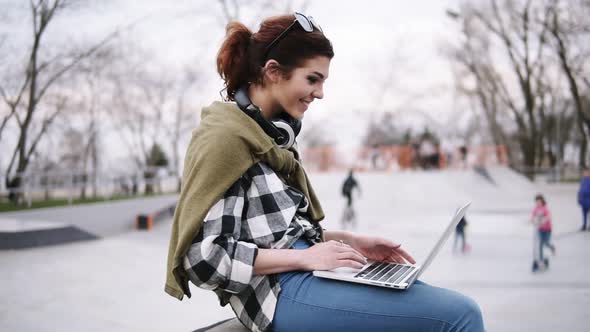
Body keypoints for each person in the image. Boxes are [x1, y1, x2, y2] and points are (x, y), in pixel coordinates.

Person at [165, 13, 484, 332]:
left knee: (430, 299)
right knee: (461, 314)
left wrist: (350, 241)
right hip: (283, 292)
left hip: (307, 275)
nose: (320, 93)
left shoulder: (269, 137)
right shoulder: (226, 139)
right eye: (312, 79)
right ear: (274, 72)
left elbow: (276, 234)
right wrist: (306, 258)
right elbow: (204, 259)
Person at [531, 194, 555, 272]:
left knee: (546, 243)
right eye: (537, 202)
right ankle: (540, 260)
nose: (538, 203)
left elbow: (549, 216)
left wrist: (543, 221)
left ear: (542, 201)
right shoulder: (536, 209)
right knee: (540, 244)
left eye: (539, 201)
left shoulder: (545, 209)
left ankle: (551, 247)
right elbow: (532, 216)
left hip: (547, 229)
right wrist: (533, 220)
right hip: (540, 230)